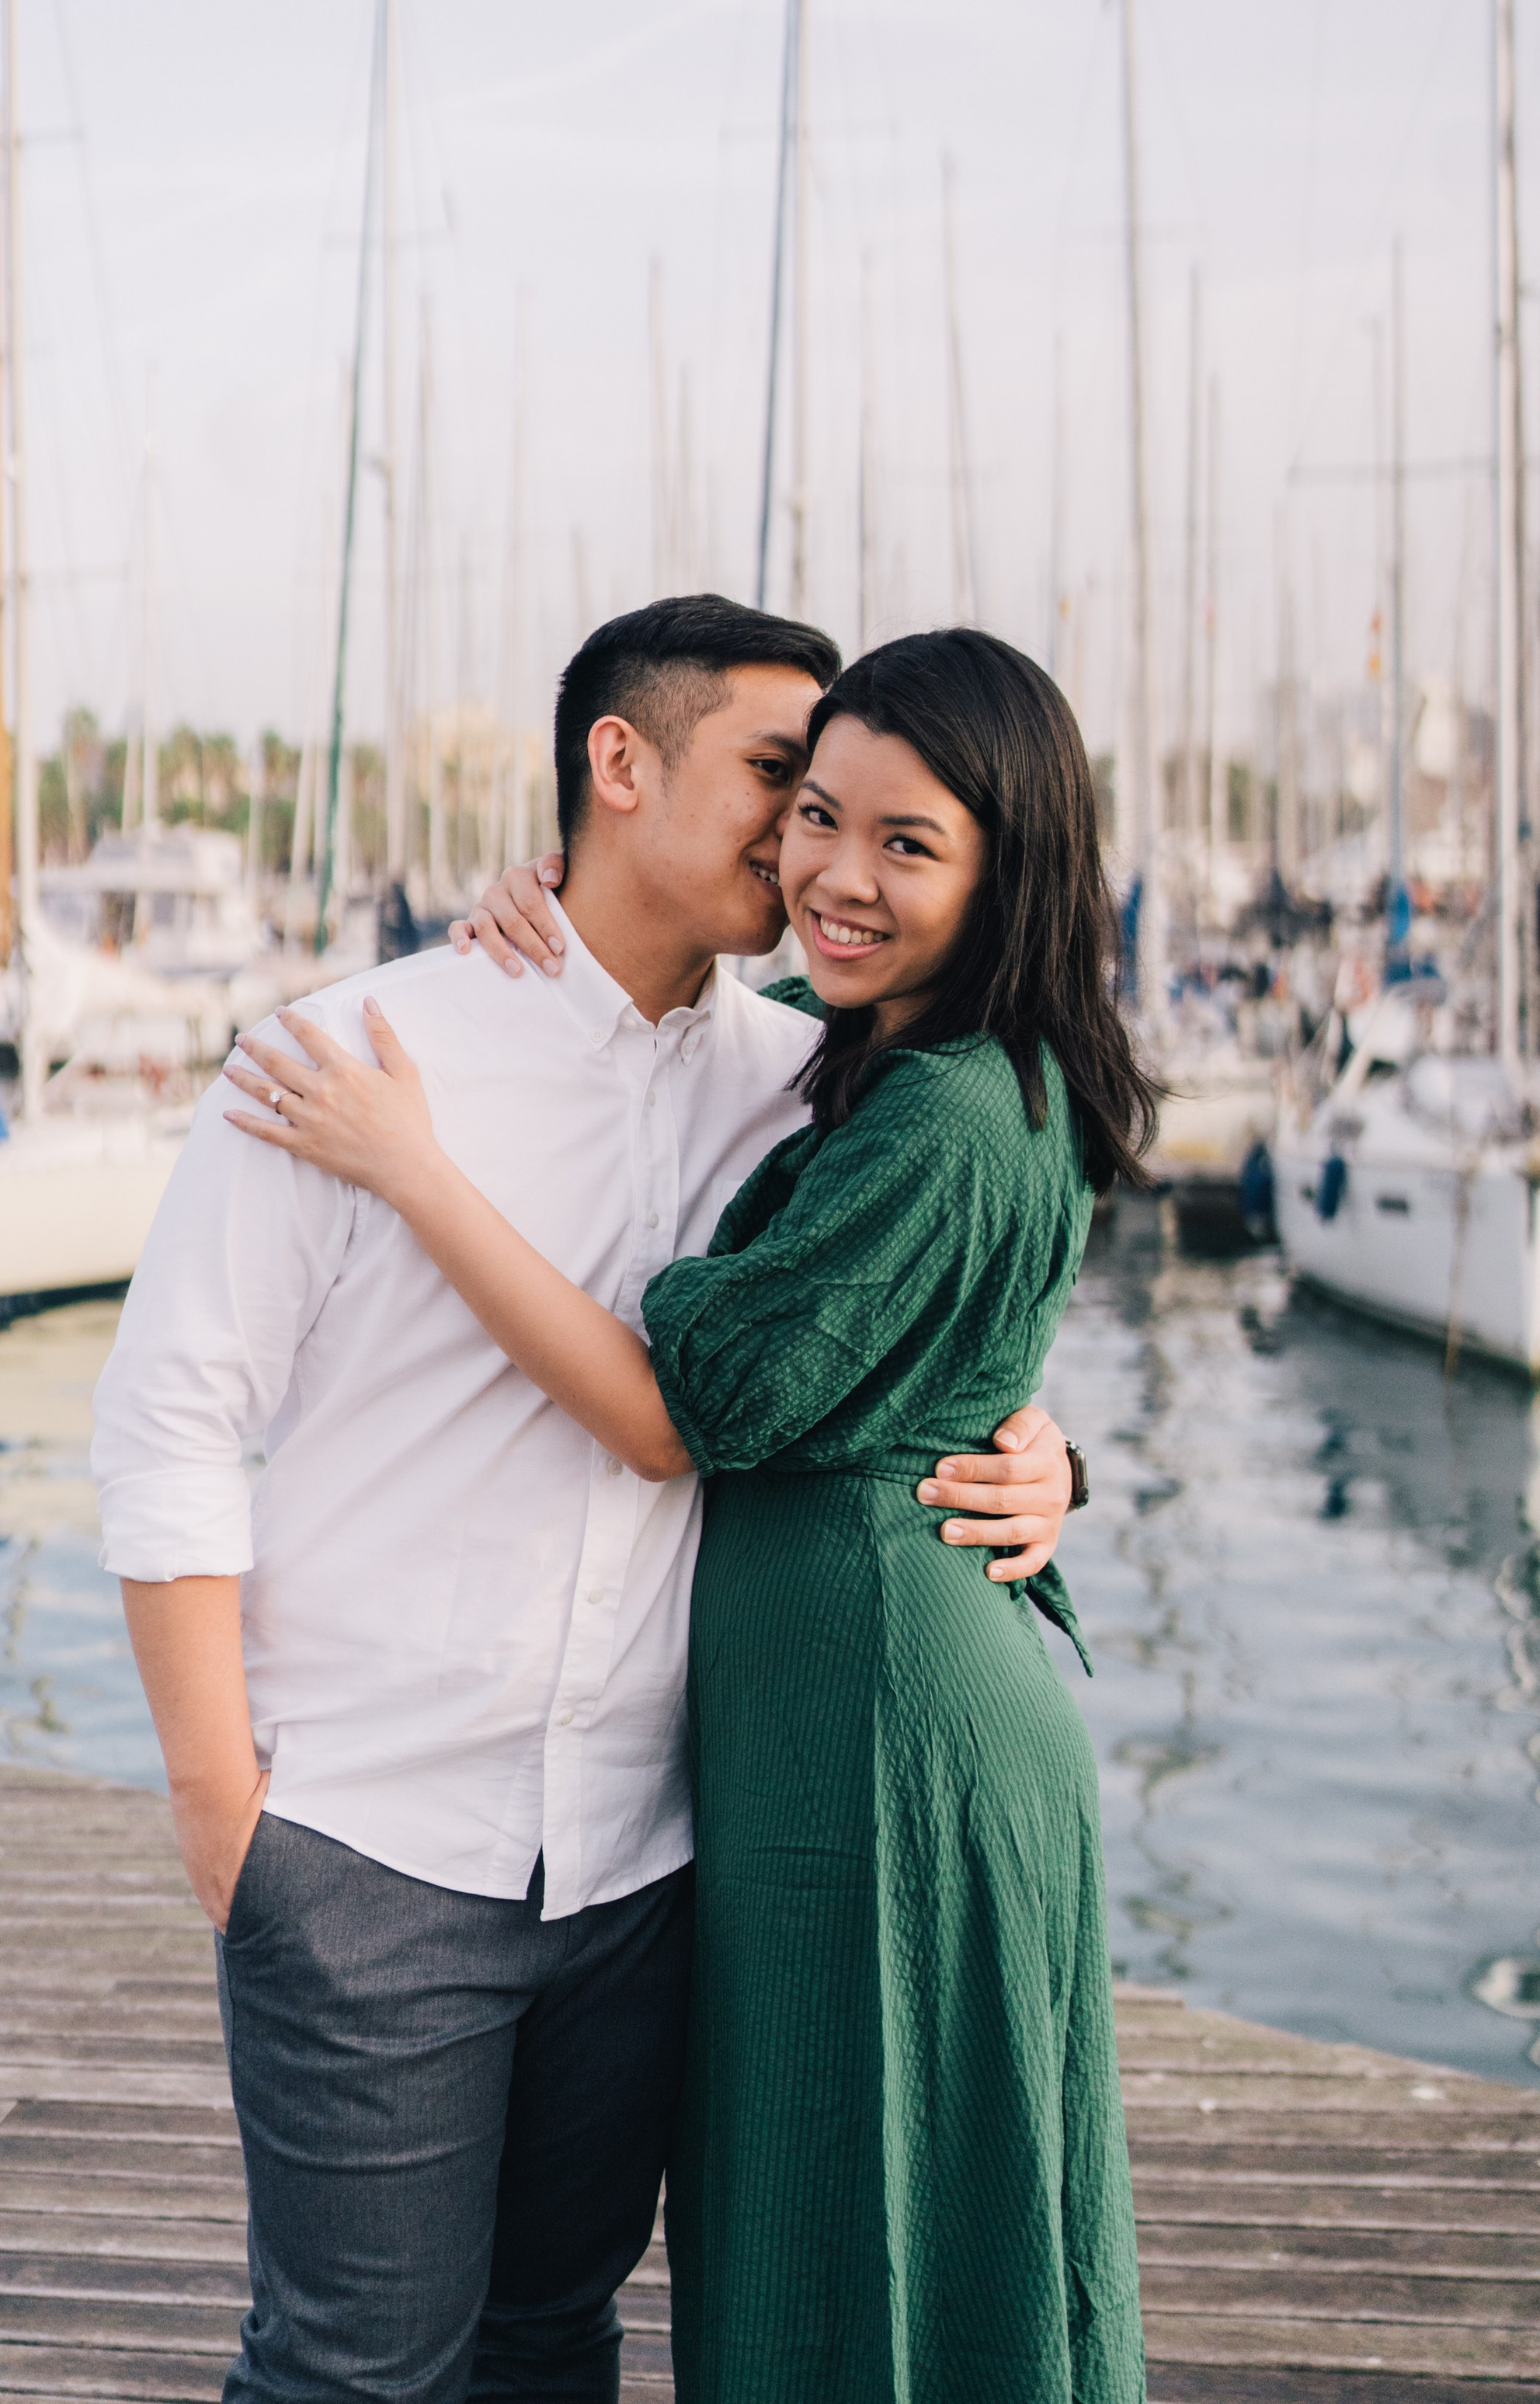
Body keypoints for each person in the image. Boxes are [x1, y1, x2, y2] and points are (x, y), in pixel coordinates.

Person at [91, 595, 1079, 2404]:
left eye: (844, 811)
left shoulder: (790, 1074)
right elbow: (167, 1426)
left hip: (640, 1861)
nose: (808, 849)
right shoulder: (350, 1054)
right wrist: (221, 1804)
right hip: (372, 1843)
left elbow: (920, 1280)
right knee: (348, 2374)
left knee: (554, 2349)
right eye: (783, 785)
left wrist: (1047, 1446)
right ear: (617, 766)